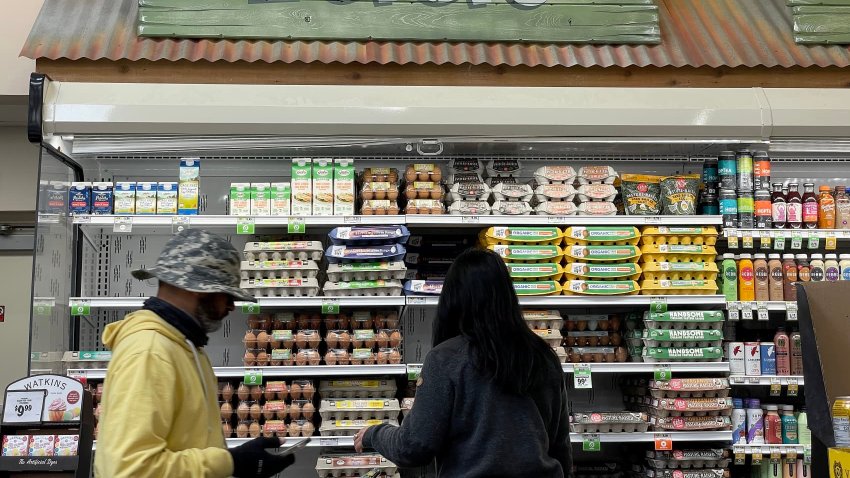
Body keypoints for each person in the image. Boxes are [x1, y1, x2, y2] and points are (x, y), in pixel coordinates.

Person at [354, 248, 572, 477]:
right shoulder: (543, 356)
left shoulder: (446, 358)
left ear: (453, 299)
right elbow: (560, 446)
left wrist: (374, 434)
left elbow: (415, 447)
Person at [94, 229, 294, 478]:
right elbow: (129, 470)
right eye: (227, 295)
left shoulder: (182, 345)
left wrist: (232, 461)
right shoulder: (150, 352)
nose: (231, 307)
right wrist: (229, 462)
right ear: (201, 287)